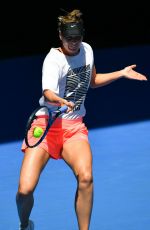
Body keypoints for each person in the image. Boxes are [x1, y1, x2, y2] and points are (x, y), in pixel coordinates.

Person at [16, 9, 147, 230]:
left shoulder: (87, 50)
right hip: (46, 127)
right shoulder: (52, 60)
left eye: (77, 38)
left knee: (86, 178)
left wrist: (121, 73)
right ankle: (25, 225)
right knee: (24, 190)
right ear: (60, 35)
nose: (74, 43)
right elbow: (48, 92)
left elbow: (93, 80)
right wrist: (60, 101)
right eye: (69, 39)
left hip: (74, 128)